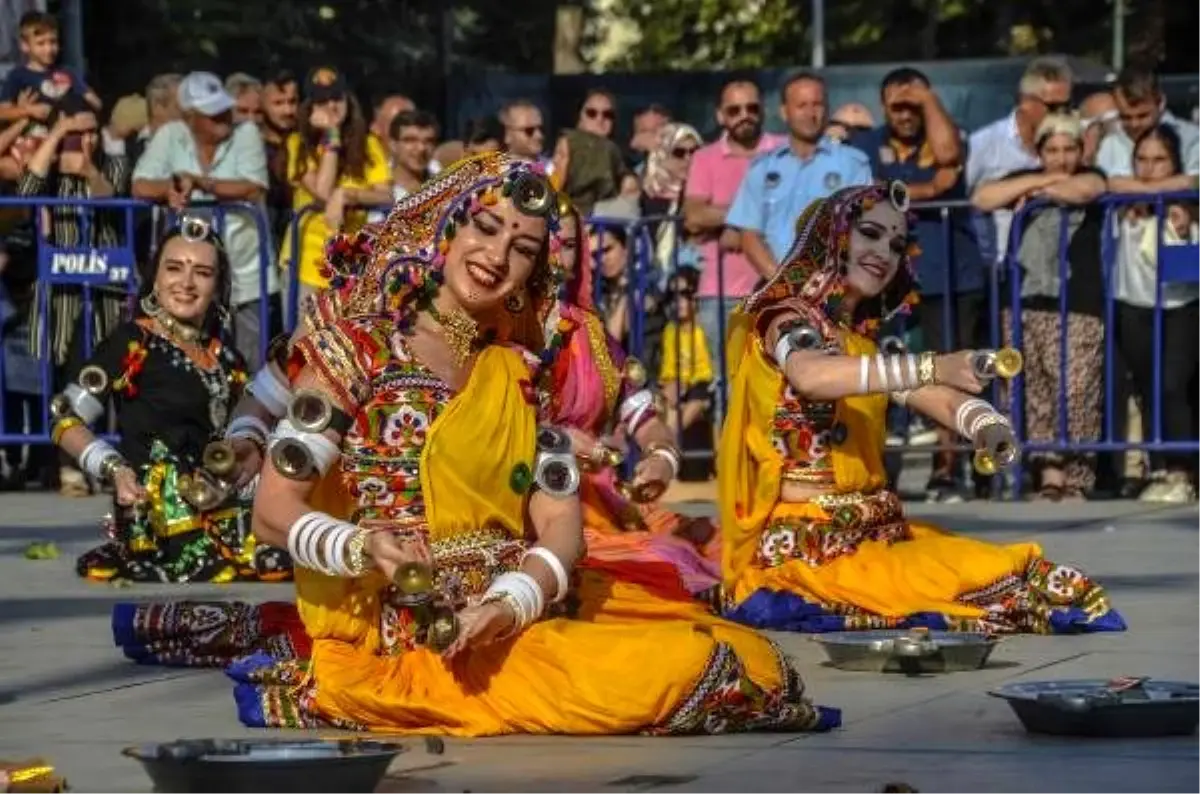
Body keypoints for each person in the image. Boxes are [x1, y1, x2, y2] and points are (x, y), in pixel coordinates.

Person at [113, 154, 837, 738]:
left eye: (522, 249)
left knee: (745, 657)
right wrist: (364, 548)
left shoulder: (519, 366)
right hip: (408, 636)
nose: (496, 256)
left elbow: (560, 526)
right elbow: (275, 510)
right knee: (688, 672)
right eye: (485, 230)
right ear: (444, 229)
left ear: (535, 274)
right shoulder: (362, 344)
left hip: (509, 618)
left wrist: (510, 603)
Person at [718, 180, 1125, 635]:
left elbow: (932, 396)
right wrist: (933, 365)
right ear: (832, 236)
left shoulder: (859, 343)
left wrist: (985, 423)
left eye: (896, 244)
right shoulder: (785, 317)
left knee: (1008, 574)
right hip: (810, 550)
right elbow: (812, 376)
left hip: (876, 534)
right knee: (1003, 580)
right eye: (869, 233)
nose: (884, 252)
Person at [55, 218, 290, 583]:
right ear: (156, 278)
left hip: (223, 503)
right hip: (158, 512)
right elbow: (65, 418)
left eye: (203, 272)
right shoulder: (133, 343)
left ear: (218, 285)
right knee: (213, 565)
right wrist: (115, 469)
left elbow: (245, 438)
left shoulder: (227, 359)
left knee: (280, 560)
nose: (186, 283)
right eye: (174, 268)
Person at [525, 199, 720, 597]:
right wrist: (554, 440)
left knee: (711, 541)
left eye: (568, 241)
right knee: (661, 562)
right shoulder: (486, 334)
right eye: (544, 238)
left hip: (599, 500)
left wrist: (661, 456)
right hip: (527, 506)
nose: (556, 251)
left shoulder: (589, 334)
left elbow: (642, 414)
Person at [971, 114, 1108, 501]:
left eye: (1069, 150)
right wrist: (1043, 182)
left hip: (1077, 300)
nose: (1061, 158)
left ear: (1081, 151)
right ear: (1039, 151)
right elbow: (982, 198)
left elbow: (1085, 190)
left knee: (1077, 389)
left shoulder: (1093, 174)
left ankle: (1078, 477)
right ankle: (1048, 476)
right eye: (1052, 150)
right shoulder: (1023, 176)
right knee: (1032, 390)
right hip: (1024, 298)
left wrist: (1038, 192)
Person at [280, 66, 390, 316]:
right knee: (304, 347)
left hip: (350, 264)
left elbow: (386, 195)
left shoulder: (368, 143)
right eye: (321, 101)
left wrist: (348, 195)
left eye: (336, 98)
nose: (331, 105)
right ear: (309, 107)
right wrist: (332, 135)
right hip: (305, 261)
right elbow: (322, 191)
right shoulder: (297, 143)